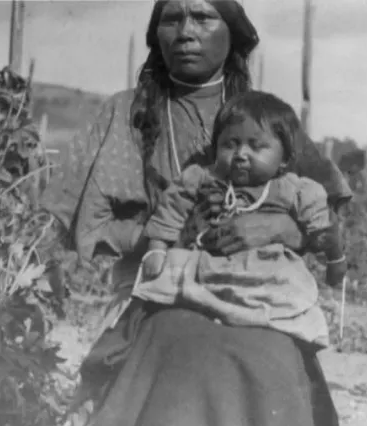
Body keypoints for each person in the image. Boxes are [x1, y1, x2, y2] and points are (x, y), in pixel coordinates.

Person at [38, 0, 353, 426]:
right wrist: (180, 237)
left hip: (262, 298)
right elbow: (92, 221)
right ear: (155, 33)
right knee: (185, 352)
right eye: (172, 18)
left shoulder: (263, 115)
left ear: (234, 35)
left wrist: (277, 232)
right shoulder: (124, 115)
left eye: (204, 17)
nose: (185, 32)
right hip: (163, 290)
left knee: (271, 361)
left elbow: (321, 210)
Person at [133, 90, 347, 349]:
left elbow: (321, 224)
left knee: (288, 301)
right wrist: (156, 250)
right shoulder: (201, 178)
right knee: (166, 288)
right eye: (230, 144)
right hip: (207, 265)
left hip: (265, 274)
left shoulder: (292, 189)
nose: (241, 154)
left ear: (284, 160)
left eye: (257, 147)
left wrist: (335, 260)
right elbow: (170, 211)